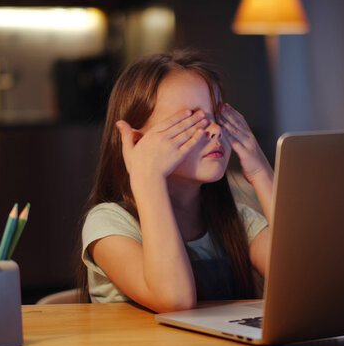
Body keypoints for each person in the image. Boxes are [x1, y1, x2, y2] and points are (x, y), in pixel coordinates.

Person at [80, 50, 274, 313]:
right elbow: (175, 300)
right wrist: (147, 178)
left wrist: (261, 172)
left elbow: (305, 279)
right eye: (191, 120)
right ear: (137, 142)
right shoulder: (109, 222)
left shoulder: (237, 220)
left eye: (218, 117)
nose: (216, 129)